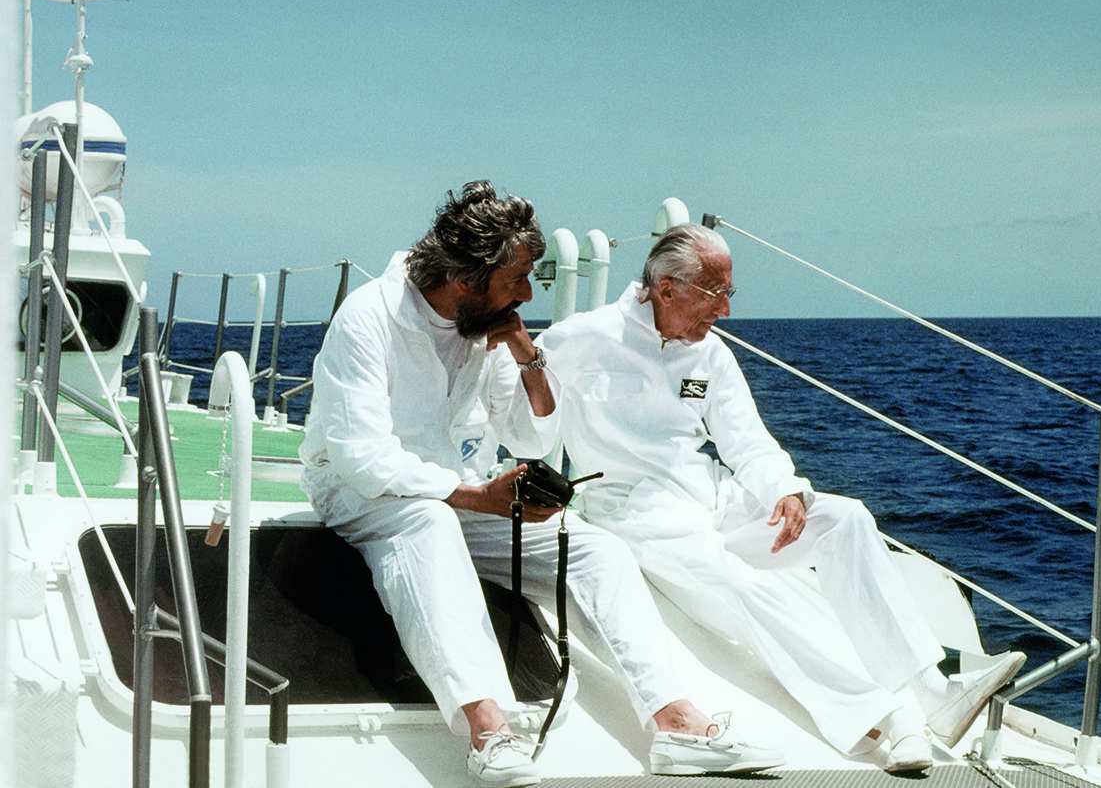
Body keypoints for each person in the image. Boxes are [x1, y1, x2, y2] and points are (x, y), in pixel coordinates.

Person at [299, 185, 784, 787]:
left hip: (458, 488)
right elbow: (361, 456)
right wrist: (477, 496)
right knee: (425, 522)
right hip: (362, 492)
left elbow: (529, 434)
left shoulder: (486, 326)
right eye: (518, 279)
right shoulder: (369, 316)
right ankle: (488, 730)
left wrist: (528, 358)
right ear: (465, 279)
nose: (528, 294)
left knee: (596, 549)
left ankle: (676, 726)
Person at [537, 222, 1026, 773]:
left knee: (844, 519)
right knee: (739, 585)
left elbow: (747, 440)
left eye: (729, 293)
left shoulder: (709, 354)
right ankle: (887, 717)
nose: (724, 310)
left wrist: (784, 490)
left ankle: (933, 692)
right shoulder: (582, 337)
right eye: (713, 293)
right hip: (638, 514)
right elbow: (518, 414)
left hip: (714, 499)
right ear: (667, 287)